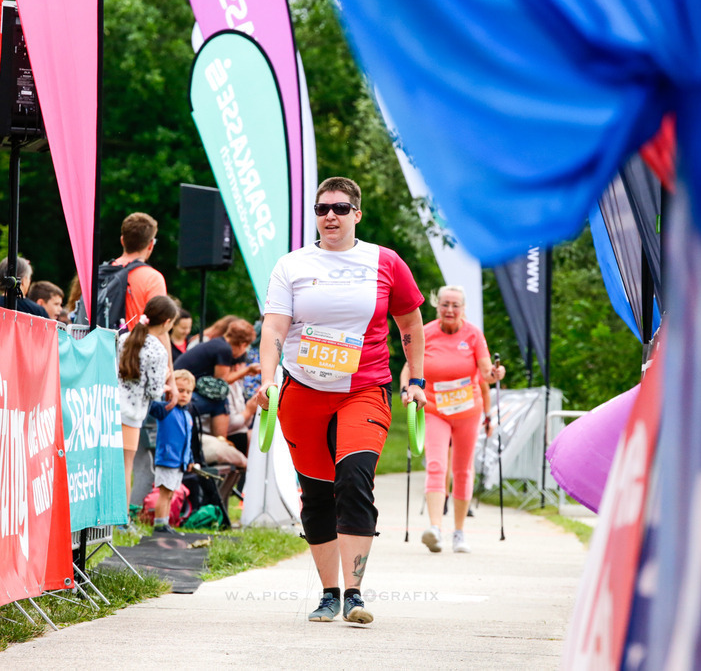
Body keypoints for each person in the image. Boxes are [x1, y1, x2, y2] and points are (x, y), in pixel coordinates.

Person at [255, 176, 426, 625]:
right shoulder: (291, 265)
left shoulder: (385, 262)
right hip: (303, 393)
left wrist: (417, 378)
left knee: (353, 478)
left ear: (357, 214)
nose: (330, 215)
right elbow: (273, 329)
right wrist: (267, 380)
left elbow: (410, 322)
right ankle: (328, 593)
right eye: (322, 208)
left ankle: (354, 593)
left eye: (340, 208)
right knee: (316, 494)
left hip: (363, 389)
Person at [400, 285, 506, 554]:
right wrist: (406, 390)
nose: (449, 310)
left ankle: (459, 532)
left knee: (462, 470)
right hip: (435, 408)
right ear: (437, 306)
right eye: (444, 304)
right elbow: (408, 368)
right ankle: (435, 528)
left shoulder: (473, 334)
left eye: (455, 305)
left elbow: (485, 373)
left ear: (463, 308)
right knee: (436, 464)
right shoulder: (427, 332)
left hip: (468, 411)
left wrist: (495, 374)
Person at [117, 295, 179, 508]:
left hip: (112, 406)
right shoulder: (158, 350)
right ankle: (121, 519)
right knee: (125, 467)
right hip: (131, 414)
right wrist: (165, 381)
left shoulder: (125, 338)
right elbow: (153, 393)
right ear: (167, 322)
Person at [175, 318, 259, 438]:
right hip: (181, 395)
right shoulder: (224, 349)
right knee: (221, 401)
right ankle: (221, 440)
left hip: (182, 390)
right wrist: (247, 370)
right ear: (243, 345)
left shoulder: (218, 343)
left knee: (219, 401)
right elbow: (222, 383)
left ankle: (220, 440)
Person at [148, 369, 197, 533]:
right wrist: (163, 390)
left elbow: (187, 441)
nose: (184, 395)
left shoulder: (187, 415)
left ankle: (165, 522)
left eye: (188, 392)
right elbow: (151, 406)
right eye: (181, 390)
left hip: (179, 461)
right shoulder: (166, 409)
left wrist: (189, 459)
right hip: (167, 459)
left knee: (170, 493)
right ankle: (159, 523)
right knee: (164, 492)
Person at [112, 212, 168, 331]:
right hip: (134, 348)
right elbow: (158, 328)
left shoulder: (102, 273)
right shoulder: (153, 278)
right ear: (151, 244)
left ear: (122, 240)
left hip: (102, 347)